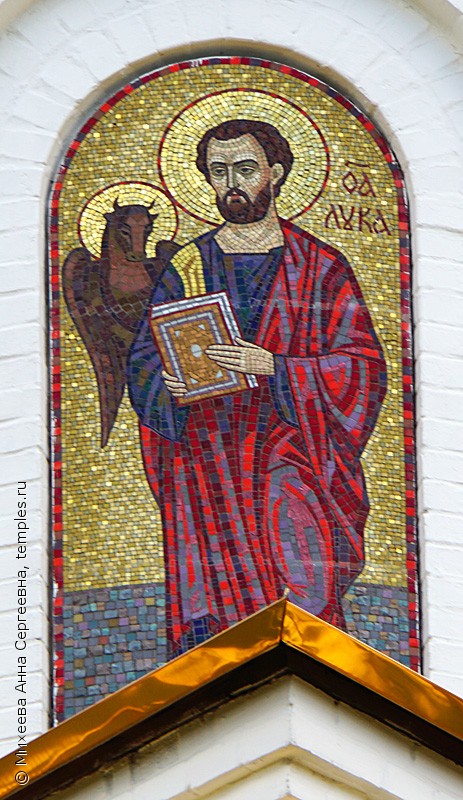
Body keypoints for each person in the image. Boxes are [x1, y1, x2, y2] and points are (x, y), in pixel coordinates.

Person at [128, 119, 387, 655]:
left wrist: (276, 366)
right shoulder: (187, 264)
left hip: (292, 448)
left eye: (245, 169)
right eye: (218, 172)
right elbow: (147, 358)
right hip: (209, 457)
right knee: (219, 603)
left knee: (301, 560)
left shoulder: (319, 266)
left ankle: (313, 663)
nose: (232, 184)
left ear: (277, 173)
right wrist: (167, 382)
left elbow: (362, 366)